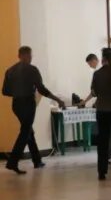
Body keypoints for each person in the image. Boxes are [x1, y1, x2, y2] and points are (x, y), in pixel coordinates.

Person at [2, 46, 65, 174]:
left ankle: (37, 160)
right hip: (28, 104)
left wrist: (17, 92)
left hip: (16, 105)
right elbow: (41, 89)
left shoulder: (10, 71)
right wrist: (57, 99)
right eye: (30, 56)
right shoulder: (32, 70)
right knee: (25, 132)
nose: (31, 58)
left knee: (28, 131)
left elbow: (4, 91)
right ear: (25, 56)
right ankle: (12, 162)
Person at [81, 47, 111, 180]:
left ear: (103, 58)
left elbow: (95, 92)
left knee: (103, 141)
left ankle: (102, 171)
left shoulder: (97, 74)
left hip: (102, 110)